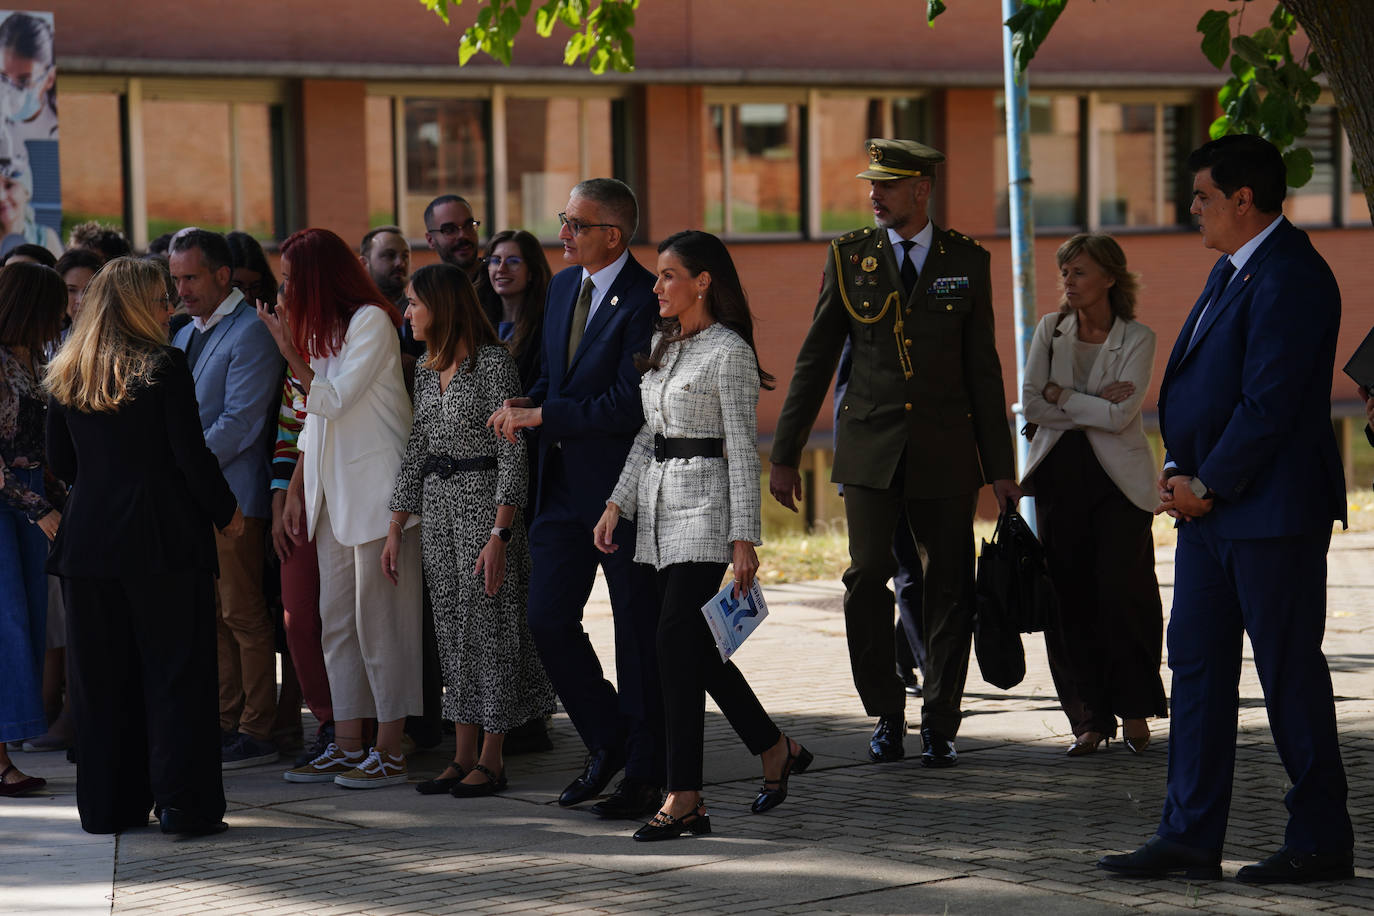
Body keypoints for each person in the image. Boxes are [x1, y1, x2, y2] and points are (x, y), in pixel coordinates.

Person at [1099, 134, 1353, 884]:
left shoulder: (1294, 275)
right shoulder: (1230, 268)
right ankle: (1188, 835)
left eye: (1205, 195)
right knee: (1200, 670)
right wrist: (1181, 468)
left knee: (1288, 677)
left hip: (1270, 517)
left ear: (1245, 199)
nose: (1193, 208)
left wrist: (1210, 484)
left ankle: (1321, 839)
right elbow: (1202, 391)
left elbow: (1268, 404)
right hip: (1209, 515)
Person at [768, 139, 1019, 768]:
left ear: (922, 190)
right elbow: (816, 357)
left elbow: (983, 371)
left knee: (949, 586)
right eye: (871, 185)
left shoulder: (967, 260)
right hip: (871, 447)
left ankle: (940, 720)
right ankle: (885, 709)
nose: (875, 195)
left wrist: (1001, 470)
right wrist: (785, 451)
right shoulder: (850, 257)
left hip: (944, 449)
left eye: (889, 184)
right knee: (864, 579)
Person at [594, 230, 811, 841]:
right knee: (688, 646)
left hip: (708, 510)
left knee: (671, 642)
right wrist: (617, 501)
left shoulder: (729, 352)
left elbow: (744, 449)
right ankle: (773, 748)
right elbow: (647, 434)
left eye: (667, 276)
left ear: (703, 282)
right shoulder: (664, 341)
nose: (657, 287)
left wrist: (746, 539)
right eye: (658, 276)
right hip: (658, 511)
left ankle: (684, 796)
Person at [45, 256, 244, 834]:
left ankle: (108, 806)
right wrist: (226, 513)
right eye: (160, 296)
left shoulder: (67, 369)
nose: (170, 305)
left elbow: (61, 464)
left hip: (88, 543)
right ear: (135, 303)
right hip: (161, 540)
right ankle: (185, 805)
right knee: (176, 675)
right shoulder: (164, 364)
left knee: (100, 681)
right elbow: (191, 456)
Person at [488, 178, 665, 820]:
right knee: (547, 619)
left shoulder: (649, 297)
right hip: (559, 493)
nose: (560, 233)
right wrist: (527, 401)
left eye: (574, 223)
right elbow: (553, 375)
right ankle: (607, 739)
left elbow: (628, 405)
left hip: (621, 494)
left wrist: (546, 416)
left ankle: (647, 775)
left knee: (636, 637)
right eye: (562, 219)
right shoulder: (563, 286)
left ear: (612, 235)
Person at [261, 228, 423, 790]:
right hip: (331, 497)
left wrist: (290, 352)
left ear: (316, 279)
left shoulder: (371, 323)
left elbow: (334, 399)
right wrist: (297, 493)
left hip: (380, 499)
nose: (284, 292)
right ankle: (349, 744)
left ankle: (390, 750)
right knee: (338, 624)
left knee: (383, 626)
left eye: (289, 280)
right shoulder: (327, 332)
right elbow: (314, 422)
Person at [386, 263, 555, 798]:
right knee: (453, 632)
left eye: (413, 302)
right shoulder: (424, 370)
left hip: (484, 511)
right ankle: (460, 755)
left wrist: (501, 535)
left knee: (492, 631)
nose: (406, 313)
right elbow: (418, 448)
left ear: (442, 305)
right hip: (438, 512)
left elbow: (512, 454)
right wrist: (395, 524)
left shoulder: (492, 364)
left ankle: (493, 757)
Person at [1019, 234, 1166, 757]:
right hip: (1060, 476)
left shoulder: (1139, 337)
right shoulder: (1049, 330)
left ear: (1108, 277)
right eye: (1065, 273)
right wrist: (1085, 401)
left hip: (1119, 483)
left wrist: (1065, 395)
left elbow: (1120, 416)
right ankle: (1087, 718)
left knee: (1122, 593)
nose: (1068, 282)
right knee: (1069, 597)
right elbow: (1032, 405)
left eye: (1078, 272)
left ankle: (1133, 709)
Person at [169, 229, 284, 770]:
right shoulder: (185, 332)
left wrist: (178, 466)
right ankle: (225, 719)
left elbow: (240, 422)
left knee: (243, 612)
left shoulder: (250, 332)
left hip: (234, 496)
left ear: (221, 274)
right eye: (176, 279)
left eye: (190, 278)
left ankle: (258, 728)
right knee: (211, 615)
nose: (182, 289)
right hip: (195, 497)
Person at [0, 261, 63, 796]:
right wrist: (35, 505)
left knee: (25, 631)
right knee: (7, 630)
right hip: (9, 508)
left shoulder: (33, 358)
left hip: (27, 503)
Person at [486, 229, 551, 395]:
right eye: (495, 260)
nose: (501, 268)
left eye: (513, 261)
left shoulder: (547, 325)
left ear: (531, 272)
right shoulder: (478, 322)